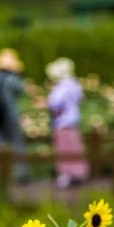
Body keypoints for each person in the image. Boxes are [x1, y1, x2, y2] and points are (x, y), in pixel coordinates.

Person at [0, 49, 28, 182]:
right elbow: (21, 90)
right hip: (10, 114)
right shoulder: (12, 78)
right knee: (17, 143)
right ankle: (21, 174)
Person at [46, 58, 89, 189]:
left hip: (63, 122)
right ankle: (78, 173)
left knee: (64, 150)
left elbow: (54, 103)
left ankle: (67, 175)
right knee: (75, 148)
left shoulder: (61, 87)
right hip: (73, 121)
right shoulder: (75, 85)